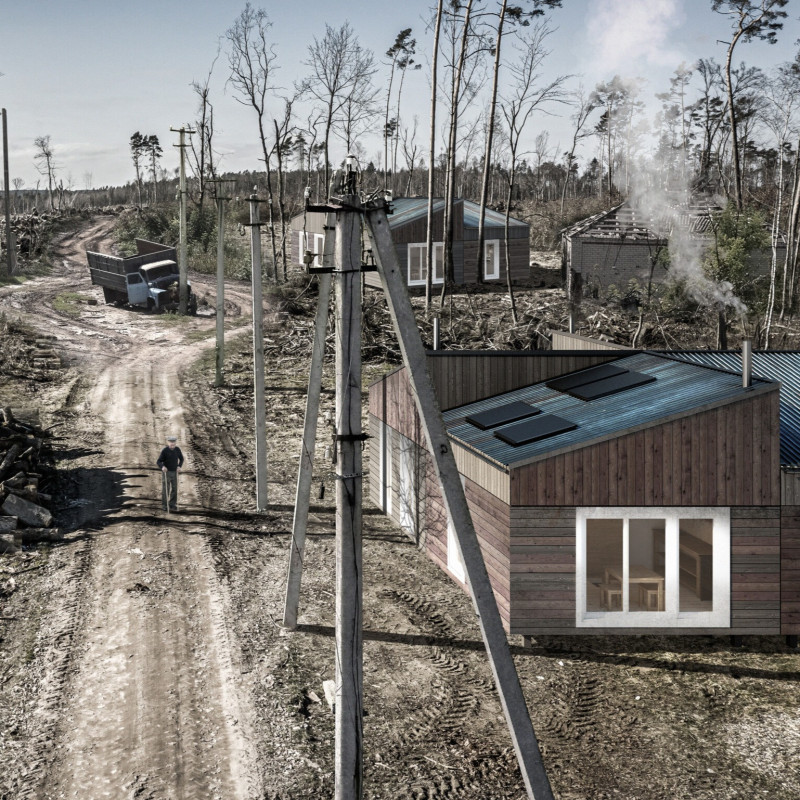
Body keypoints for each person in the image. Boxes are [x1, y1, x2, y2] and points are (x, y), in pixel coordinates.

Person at [157, 435, 184, 512]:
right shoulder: (165, 450)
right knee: (166, 489)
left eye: (173, 442)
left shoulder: (177, 449)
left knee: (174, 489)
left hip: (175, 472)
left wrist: (179, 466)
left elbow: (181, 459)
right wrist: (162, 467)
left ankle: (172, 504)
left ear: (175, 442)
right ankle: (165, 505)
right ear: (168, 442)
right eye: (170, 442)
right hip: (166, 473)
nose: (172, 444)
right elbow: (158, 461)